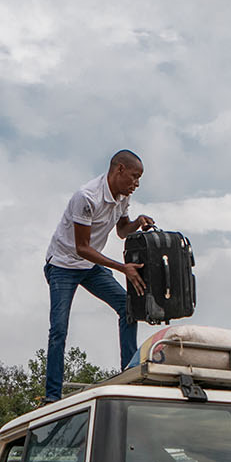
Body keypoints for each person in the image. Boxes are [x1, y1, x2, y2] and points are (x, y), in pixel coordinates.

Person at [43, 149, 155, 402]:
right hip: (63, 265)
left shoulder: (122, 197)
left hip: (89, 266)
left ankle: (129, 372)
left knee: (128, 307)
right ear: (119, 170)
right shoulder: (86, 197)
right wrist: (121, 267)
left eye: (140, 179)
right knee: (59, 328)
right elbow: (81, 248)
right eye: (134, 177)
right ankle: (52, 396)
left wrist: (137, 222)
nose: (136, 184)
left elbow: (122, 232)